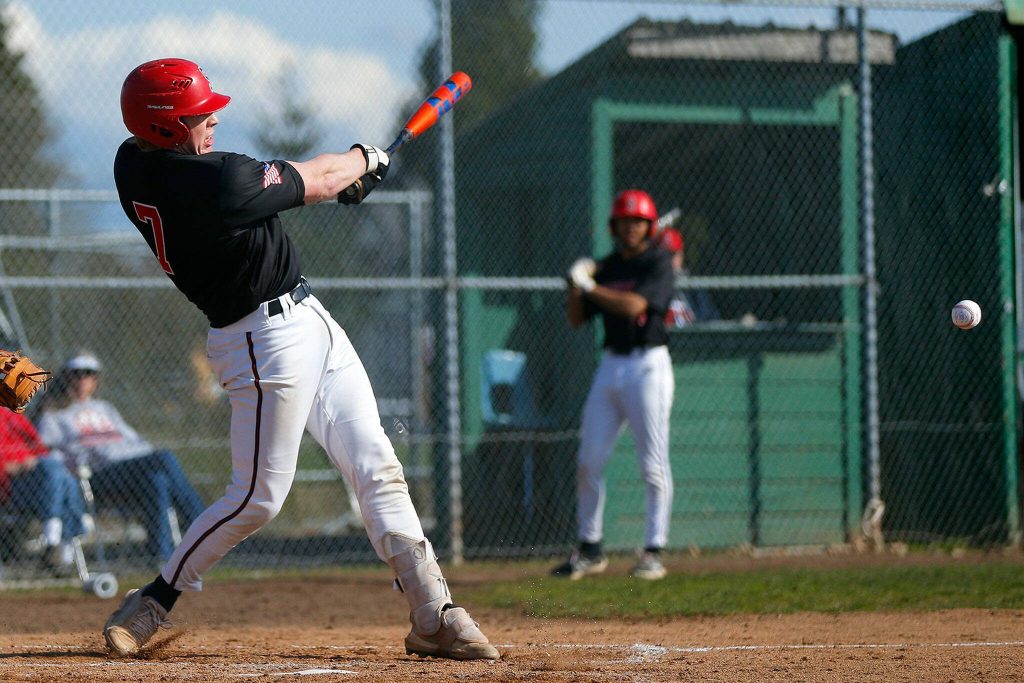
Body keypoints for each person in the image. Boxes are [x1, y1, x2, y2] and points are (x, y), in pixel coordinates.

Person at [100, 58, 498, 661]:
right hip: (261, 342)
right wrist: (368, 160)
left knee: (376, 462)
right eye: (196, 117)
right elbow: (316, 177)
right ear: (163, 130)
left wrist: (346, 176)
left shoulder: (132, 164)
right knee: (256, 497)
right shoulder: (216, 184)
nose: (210, 121)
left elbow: (312, 183)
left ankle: (434, 613)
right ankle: (154, 599)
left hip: (313, 323)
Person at [555, 189, 676, 582]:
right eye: (625, 221)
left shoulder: (658, 262)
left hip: (648, 366)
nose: (632, 228)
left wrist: (590, 287)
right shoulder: (605, 268)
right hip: (611, 364)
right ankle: (590, 548)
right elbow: (576, 319)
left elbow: (634, 306)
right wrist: (576, 284)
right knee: (589, 459)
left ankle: (653, 550)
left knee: (652, 464)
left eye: (639, 221)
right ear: (614, 226)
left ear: (649, 226)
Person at [36, 353, 206, 562]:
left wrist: (147, 456)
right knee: (164, 458)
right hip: (97, 476)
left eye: (88, 374)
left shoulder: (105, 408)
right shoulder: (55, 414)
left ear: (95, 380)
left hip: (130, 469)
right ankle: (204, 527)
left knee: (158, 481)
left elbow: (135, 440)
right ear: (67, 378)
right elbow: (47, 453)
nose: (82, 380)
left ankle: (160, 558)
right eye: (77, 374)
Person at [0, 408, 87, 573]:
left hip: (38, 480)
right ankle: (63, 555)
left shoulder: (10, 414)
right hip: (11, 485)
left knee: (62, 477)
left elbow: (39, 448)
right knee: (59, 476)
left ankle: (54, 545)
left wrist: (33, 462)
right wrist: (7, 467)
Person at [656, 226, 719, 328]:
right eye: (663, 256)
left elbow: (709, 318)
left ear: (681, 255)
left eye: (671, 255)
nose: (667, 261)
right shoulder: (650, 284)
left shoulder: (693, 286)